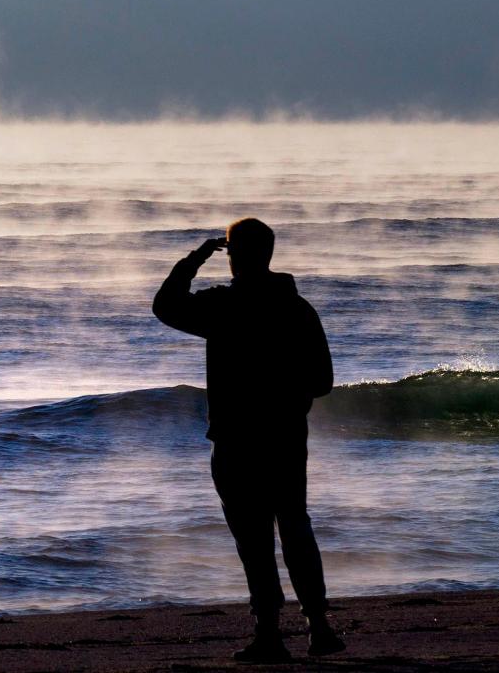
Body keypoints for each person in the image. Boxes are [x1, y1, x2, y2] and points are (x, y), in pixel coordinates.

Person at [152, 217, 345, 663]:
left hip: (236, 440)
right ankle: (319, 627)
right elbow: (323, 383)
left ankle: (270, 634)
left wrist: (196, 258)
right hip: (285, 438)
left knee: (254, 540)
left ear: (232, 257)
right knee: (296, 527)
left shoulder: (223, 307)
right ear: (271, 254)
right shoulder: (298, 309)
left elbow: (165, 306)